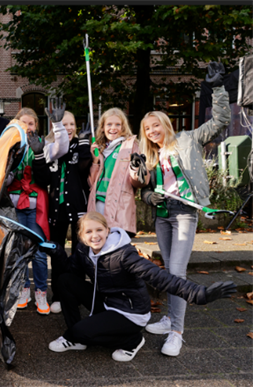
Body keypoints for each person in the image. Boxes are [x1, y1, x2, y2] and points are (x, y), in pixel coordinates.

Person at [47, 211, 236, 361]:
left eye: (99, 230)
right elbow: (70, 271)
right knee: (65, 281)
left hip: (129, 312)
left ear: (107, 230)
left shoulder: (124, 255)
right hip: (106, 302)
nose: (94, 236)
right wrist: (57, 253)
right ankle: (75, 339)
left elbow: (160, 278)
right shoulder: (83, 250)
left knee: (81, 331)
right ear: (80, 236)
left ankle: (132, 340)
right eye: (88, 232)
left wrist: (200, 294)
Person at [139, 62, 230, 357]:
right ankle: (169, 319)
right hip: (163, 216)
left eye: (155, 125)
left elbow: (220, 122)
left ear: (165, 123)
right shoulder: (151, 156)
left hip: (185, 213)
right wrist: (149, 195)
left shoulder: (189, 139)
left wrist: (217, 88)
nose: (152, 131)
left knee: (177, 271)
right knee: (168, 271)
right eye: (147, 128)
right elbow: (146, 191)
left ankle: (177, 331)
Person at [7, 108, 66, 315]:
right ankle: (24, 289)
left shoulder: (44, 147)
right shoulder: (8, 147)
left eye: (30, 123)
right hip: (15, 207)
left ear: (36, 126)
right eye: (22, 123)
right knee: (19, 251)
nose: (26, 127)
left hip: (35, 208)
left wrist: (39, 153)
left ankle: (41, 290)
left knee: (40, 252)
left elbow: (45, 180)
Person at [39, 110, 92, 315]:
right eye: (64, 124)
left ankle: (77, 292)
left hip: (78, 207)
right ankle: (59, 295)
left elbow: (83, 167)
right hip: (56, 208)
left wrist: (85, 142)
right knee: (57, 252)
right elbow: (43, 178)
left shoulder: (80, 145)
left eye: (72, 124)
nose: (69, 128)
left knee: (80, 252)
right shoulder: (49, 147)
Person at [88, 108, 149, 235]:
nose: (113, 128)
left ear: (123, 127)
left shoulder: (130, 146)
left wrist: (137, 169)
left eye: (117, 124)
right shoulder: (100, 148)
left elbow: (140, 180)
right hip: (98, 202)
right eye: (109, 124)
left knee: (116, 242)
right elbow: (91, 183)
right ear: (103, 127)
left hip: (118, 204)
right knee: (98, 241)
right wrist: (95, 161)